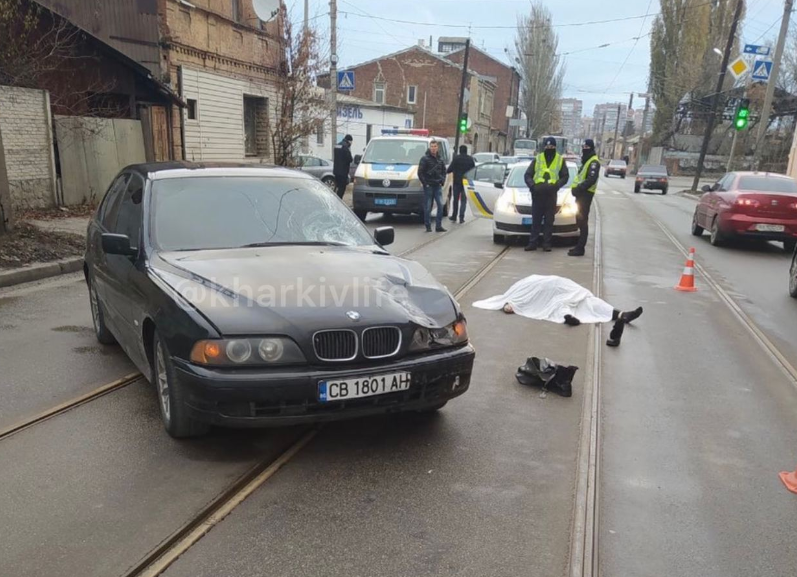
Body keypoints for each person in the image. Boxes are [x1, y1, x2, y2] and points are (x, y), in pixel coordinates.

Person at [472, 274, 643, 347]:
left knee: (586, 300)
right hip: (550, 290)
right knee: (561, 303)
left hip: (559, 284)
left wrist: (511, 305)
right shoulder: (517, 295)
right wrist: (511, 306)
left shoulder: (523, 286)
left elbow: (514, 300)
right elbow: (516, 302)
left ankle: (622, 314)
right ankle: (567, 316)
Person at [523, 136, 569, 252]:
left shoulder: (560, 160)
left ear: (555, 147)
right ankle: (532, 243)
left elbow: (565, 176)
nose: (549, 148)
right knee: (536, 220)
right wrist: (532, 186)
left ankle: (546, 244)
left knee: (549, 221)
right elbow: (528, 174)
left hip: (551, 195)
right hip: (538, 194)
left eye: (552, 146)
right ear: (544, 147)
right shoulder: (538, 159)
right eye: (547, 146)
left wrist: (557, 185)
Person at [568, 139, 601, 257]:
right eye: (584, 146)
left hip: (585, 194)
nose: (584, 148)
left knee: (583, 221)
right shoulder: (587, 160)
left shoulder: (593, 162)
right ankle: (578, 246)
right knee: (579, 219)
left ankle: (580, 248)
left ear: (591, 148)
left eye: (587, 146)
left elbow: (591, 179)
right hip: (581, 194)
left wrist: (579, 188)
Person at [418, 139, 447, 233]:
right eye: (432, 147)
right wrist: (425, 183)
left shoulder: (440, 159)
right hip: (429, 186)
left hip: (437, 185)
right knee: (427, 207)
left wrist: (442, 181)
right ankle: (428, 226)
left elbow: (444, 171)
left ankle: (438, 226)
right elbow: (420, 172)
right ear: (430, 148)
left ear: (437, 148)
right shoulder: (424, 159)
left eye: (435, 147)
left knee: (440, 205)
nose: (433, 148)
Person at [446, 145, 476, 224]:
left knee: (455, 200)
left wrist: (446, 172)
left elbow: (450, 169)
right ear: (466, 151)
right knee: (463, 200)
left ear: (460, 150)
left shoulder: (456, 159)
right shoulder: (470, 159)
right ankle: (461, 217)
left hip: (457, 182)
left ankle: (454, 216)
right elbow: (474, 170)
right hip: (466, 183)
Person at [333, 134, 354, 199]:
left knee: (337, 187)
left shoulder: (337, 145)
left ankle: (336, 199)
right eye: (351, 142)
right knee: (342, 188)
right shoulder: (345, 147)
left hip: (336, 171)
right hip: (343, 172)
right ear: (349, 141)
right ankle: (339, 201)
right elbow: (350, 159)